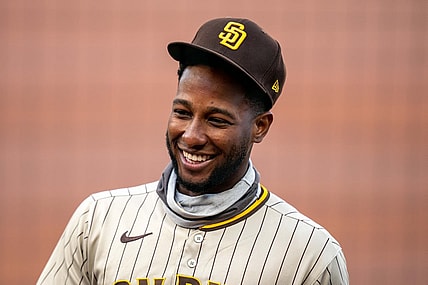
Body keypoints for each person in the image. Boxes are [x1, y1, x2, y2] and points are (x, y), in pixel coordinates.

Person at [37, 17, 349, 285]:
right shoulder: (98, 220)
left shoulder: (310, 254)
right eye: (183, 112)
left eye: (216, 120)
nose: (192, 135)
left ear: (260, 127)